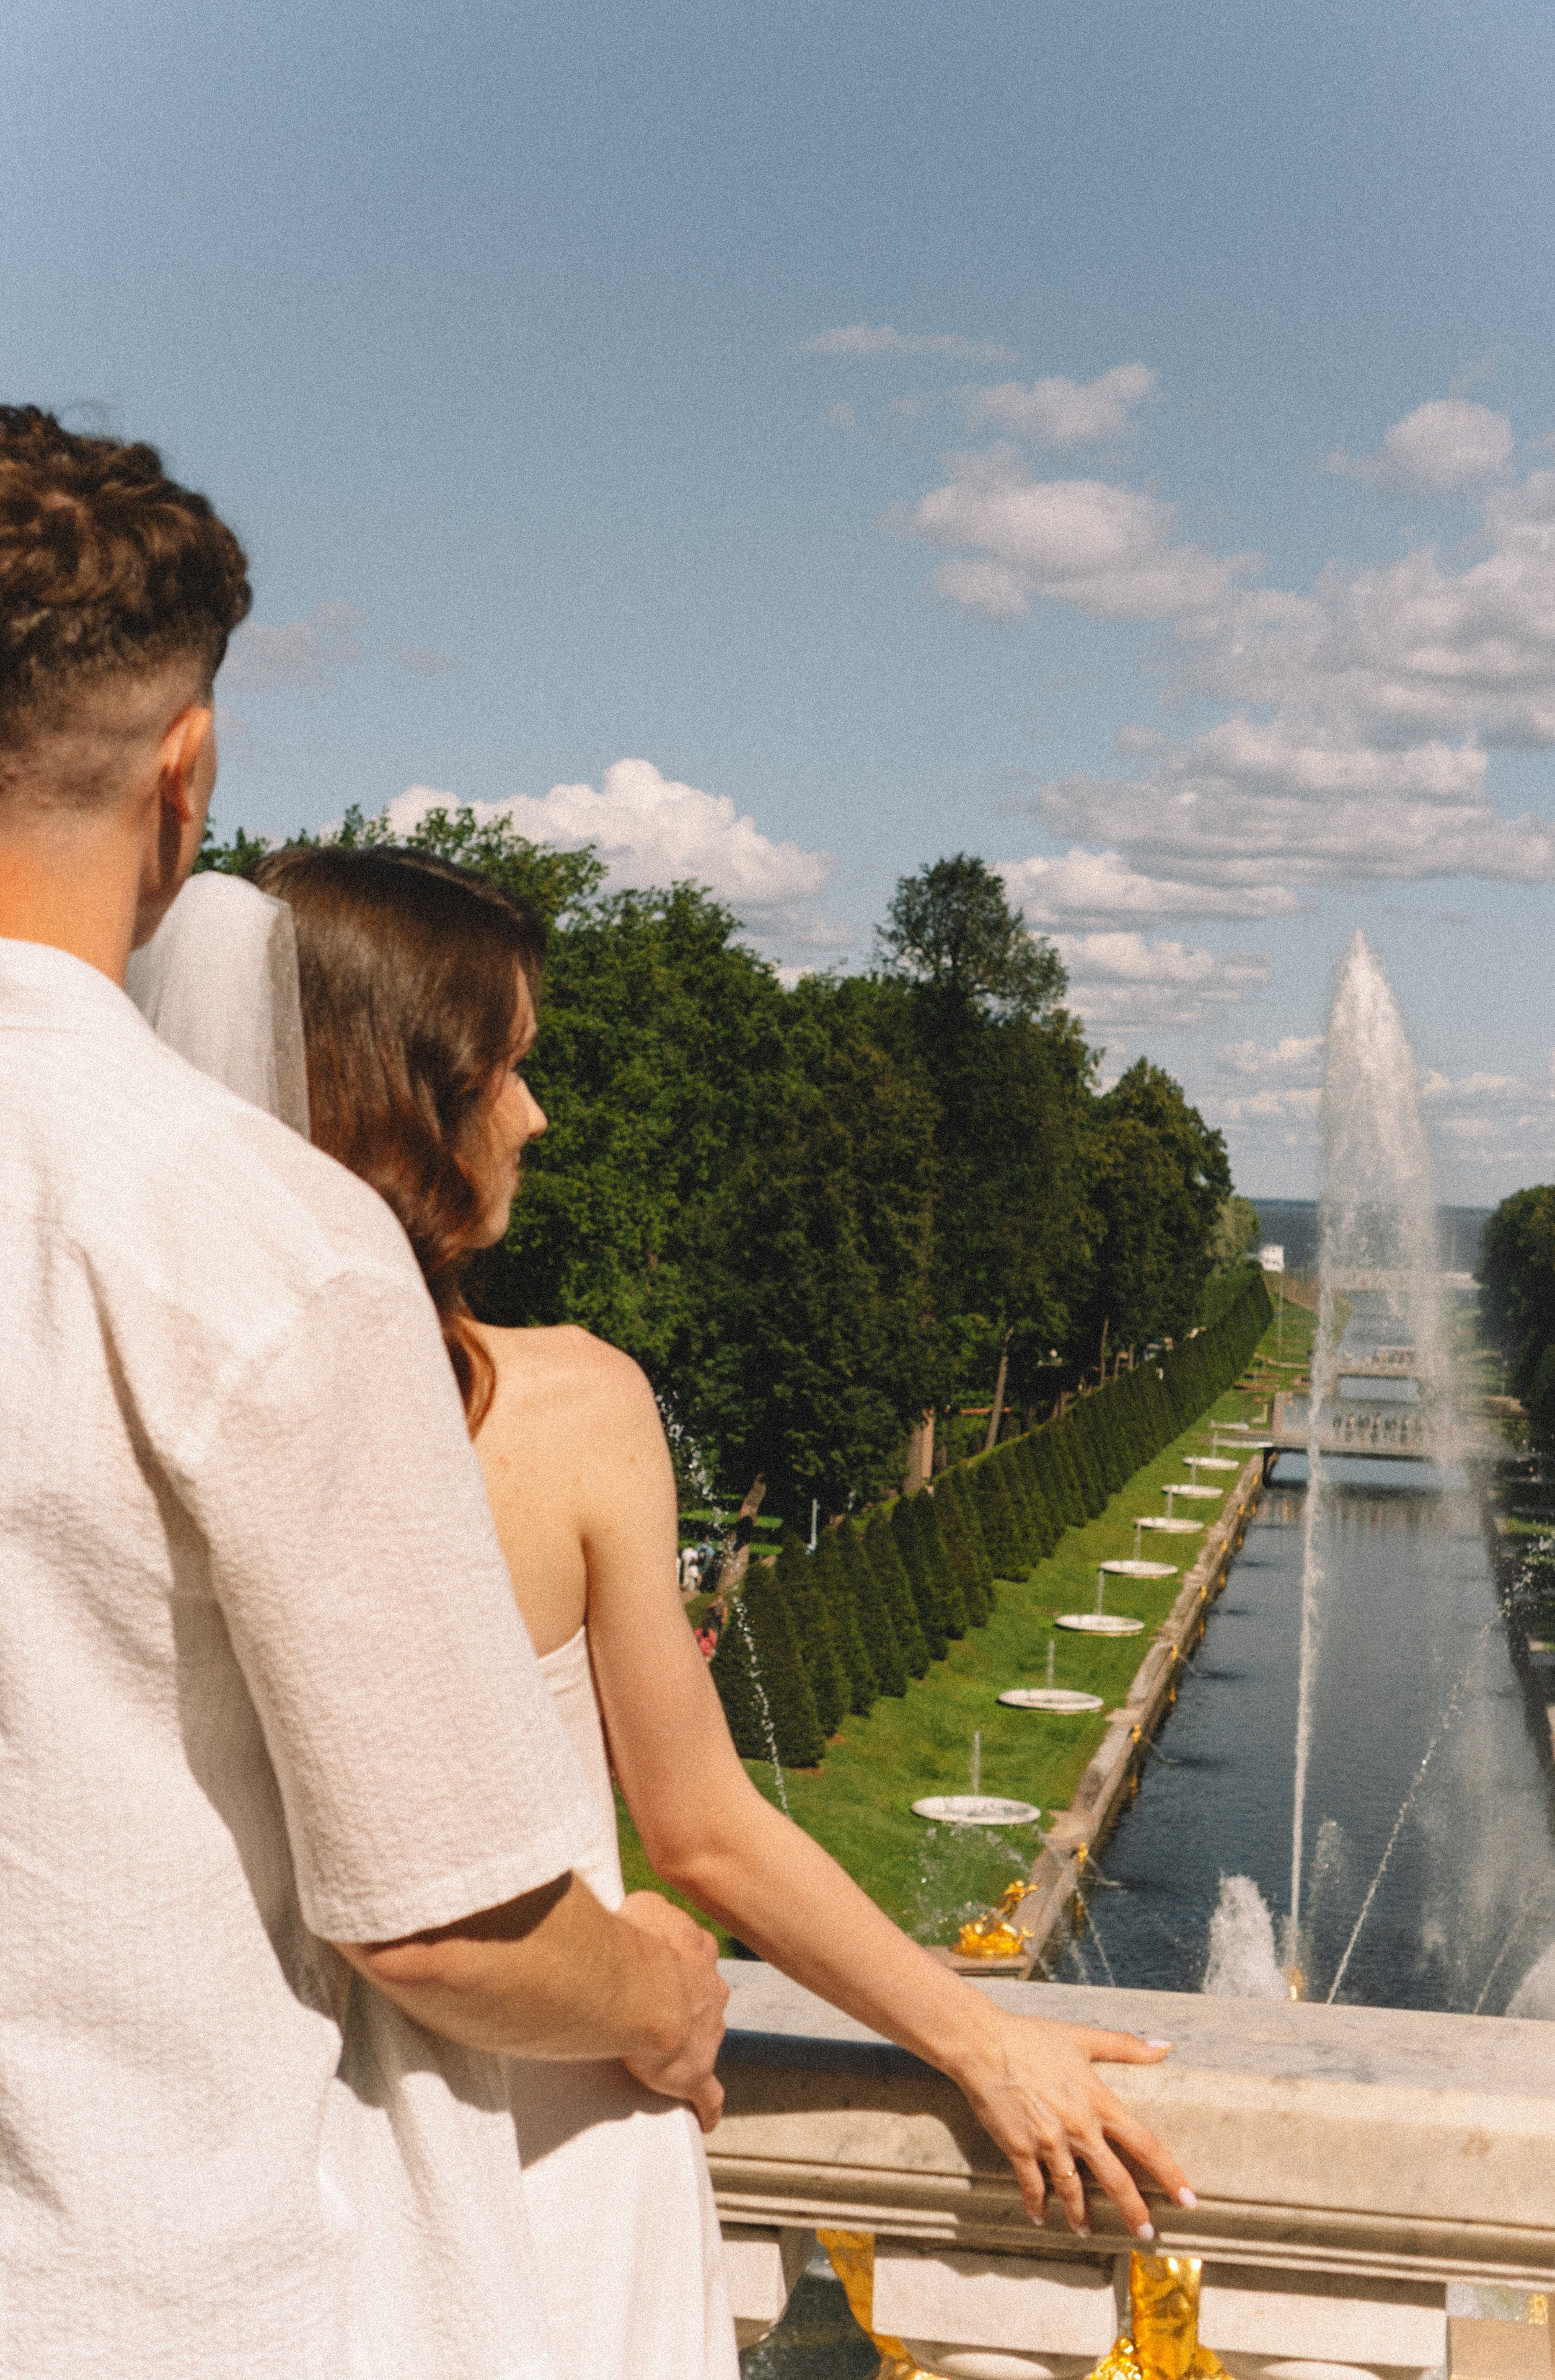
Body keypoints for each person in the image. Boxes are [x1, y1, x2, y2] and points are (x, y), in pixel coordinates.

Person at [247, 842, 1197, 2379]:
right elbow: (698, 1830)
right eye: (506, 1070)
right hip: (553, 2143)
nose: (537, 1115)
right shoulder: (568, 1402)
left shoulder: (153, 1408)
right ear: (404, 1096)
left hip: (264, 2171)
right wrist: (976, 2038)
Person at [0, 407, 726, 2380]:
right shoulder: (254, 1241)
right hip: (149, 2302)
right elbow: (446, 1927)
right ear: (184, 769)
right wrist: (658, 1989)